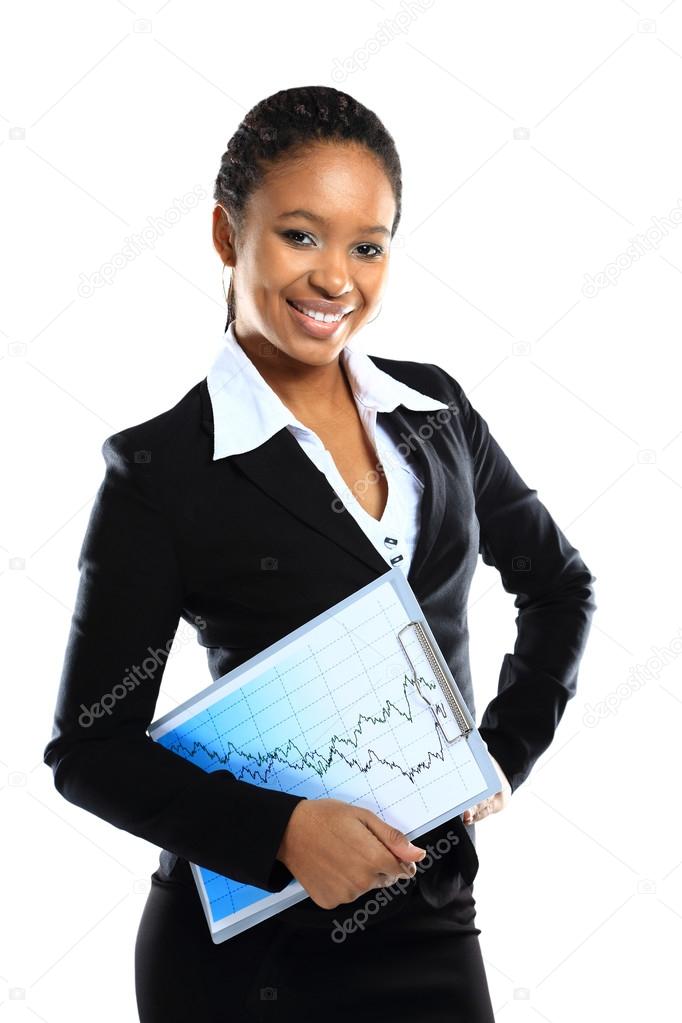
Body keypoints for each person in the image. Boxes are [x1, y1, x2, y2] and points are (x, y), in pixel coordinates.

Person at [43, 85, 596, 1022]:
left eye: (366, 245)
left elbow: (559, 584)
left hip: (429, 913)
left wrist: (498, 751)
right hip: (245, 948)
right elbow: (89, 749)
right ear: (227, 235)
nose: (335, 277)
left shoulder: (437, 413)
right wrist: (283, 831)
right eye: (301, 235)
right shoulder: (162, 470)